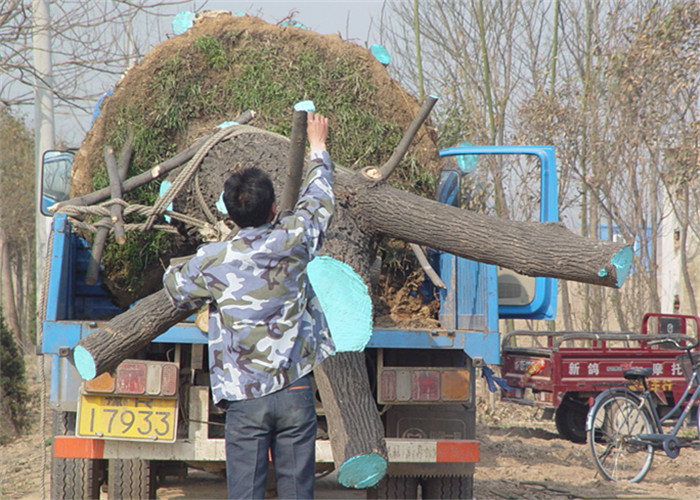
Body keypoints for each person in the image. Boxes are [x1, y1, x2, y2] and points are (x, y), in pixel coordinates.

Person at [162, 112, 335, 499]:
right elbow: (319, 201)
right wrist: (318, 149)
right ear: (274, 208)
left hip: (243, 398)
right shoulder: (294, 240)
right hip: (294, 391)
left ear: (229, 213)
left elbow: (174, 287)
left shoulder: (213, 260)